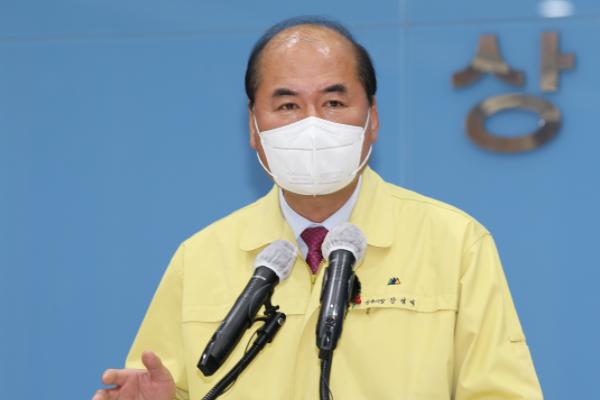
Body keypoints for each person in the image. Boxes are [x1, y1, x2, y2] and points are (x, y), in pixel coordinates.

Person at [93, 16, 543, 400]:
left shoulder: (455, 244)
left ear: (372, 118)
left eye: (333, 102)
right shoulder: (199, 258)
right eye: (288, 104)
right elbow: (160, 384)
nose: (311, 125)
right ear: (253, 126)